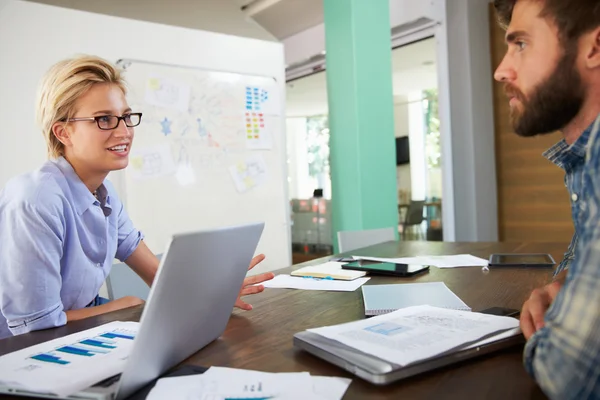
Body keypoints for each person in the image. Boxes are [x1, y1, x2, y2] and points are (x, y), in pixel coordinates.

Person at [0, 55, 274, 340]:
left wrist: (211, 293)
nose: (124, 132)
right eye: (105, 119)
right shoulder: (35, 199)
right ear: (63, 132)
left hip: (74, 330)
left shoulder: (104, 195)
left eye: (126, 117)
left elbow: (158, 276)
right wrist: (123, 306)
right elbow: (35, 325)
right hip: (18, 351)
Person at [493, 0, 600, 398]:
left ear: (595, 47)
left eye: (520, 43)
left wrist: (549, 337)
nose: (501, 70)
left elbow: (569, 374)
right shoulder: (584, 159)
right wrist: (568, 285)